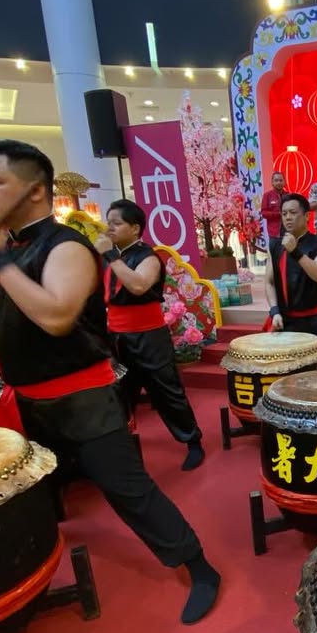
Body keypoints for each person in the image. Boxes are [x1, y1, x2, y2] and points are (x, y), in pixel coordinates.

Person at [0, 139, 220, 625]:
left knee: (128, 491)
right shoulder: (12, 251)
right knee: (25, 492)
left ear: (36, 190)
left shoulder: (66, 247)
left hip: (81, 399)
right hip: (26, 400)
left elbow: (55, 316)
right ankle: (27, 581)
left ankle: (199, 567)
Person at [98, 199, 205, 471]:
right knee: (118, 394)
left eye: (116, 223)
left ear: (135, 228)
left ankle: (192, 441)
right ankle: (120, 448)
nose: (109, 228)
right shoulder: (107, 256)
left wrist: (111, 257)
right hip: (116, 336)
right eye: (107, 222)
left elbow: (138, 285)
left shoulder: (147, 256)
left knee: (167, 391)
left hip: (148, 337)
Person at [264, 193, 317, 343]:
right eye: (284, 213)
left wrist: (295, 252)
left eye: (293, 213)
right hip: (284, 320)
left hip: (316, 323)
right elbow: (269, 282)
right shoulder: (275, 245)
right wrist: (274, 311)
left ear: (307, 216)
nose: (287, 217)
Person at [258, 171, 286, 250]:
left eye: (281, 180)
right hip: (274, 235)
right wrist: (278, 214)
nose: (279, 182)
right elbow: (263, 213)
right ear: (272, 182)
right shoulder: (267, 195)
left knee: (288, 260)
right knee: (276, 260)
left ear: (284, 182)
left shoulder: (288, 195)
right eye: (276, 180)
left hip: (287, 234)